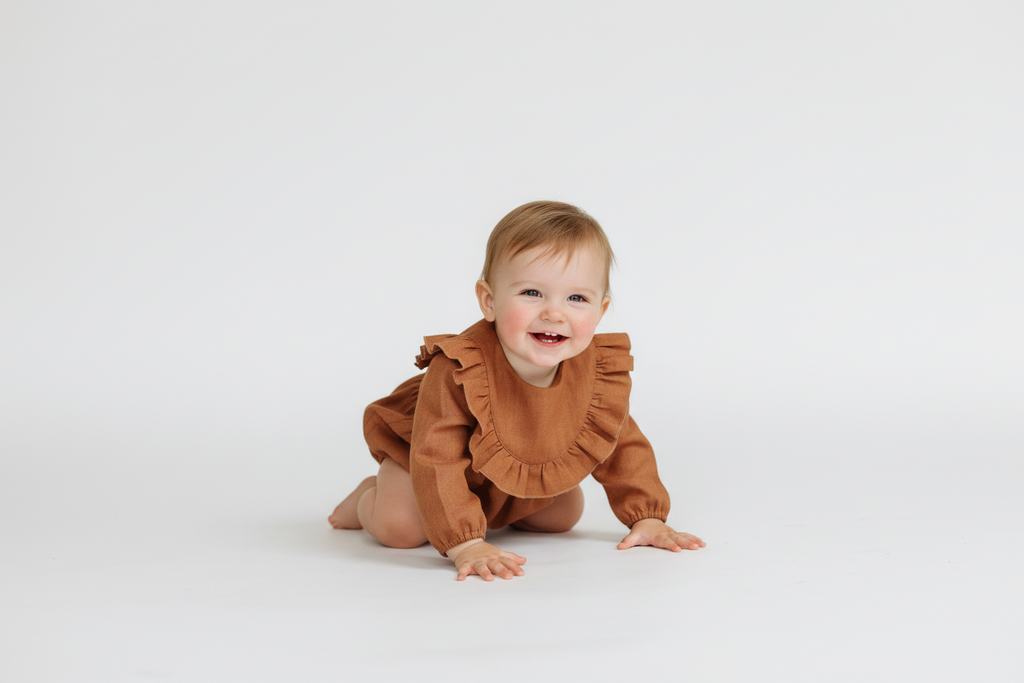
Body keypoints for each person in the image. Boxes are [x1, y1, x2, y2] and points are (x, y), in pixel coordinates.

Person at [329, 200, 705, 581]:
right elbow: (435, 455)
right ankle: (368, 498)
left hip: (514, 467)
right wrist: (465, 543)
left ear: (601, 310)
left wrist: (648, 516)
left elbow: (622, 444)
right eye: (531, 293)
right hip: (428, 467)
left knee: (562, 515)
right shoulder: (460, 368)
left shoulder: (594, 371)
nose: (554, 313)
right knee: (401, 528)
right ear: (489, 301)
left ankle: (483, 513)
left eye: (576, 298)